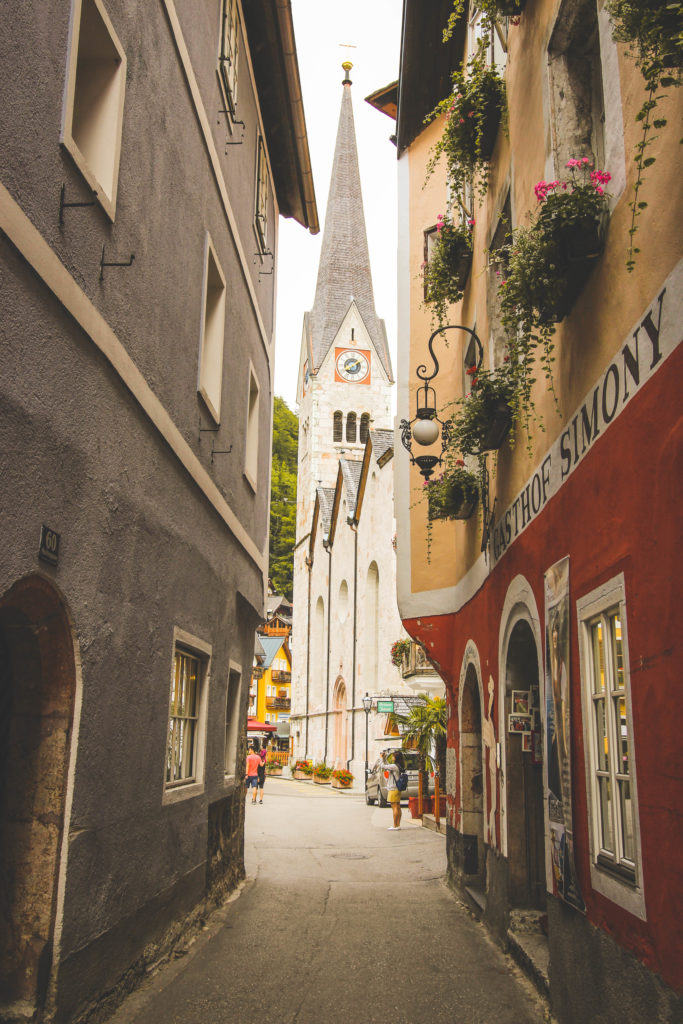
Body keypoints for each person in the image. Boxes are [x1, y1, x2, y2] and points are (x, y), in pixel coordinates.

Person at [385, 750, 405, 830]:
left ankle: (395, 825)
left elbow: (383, 766)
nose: (392, 757)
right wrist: (384, 759)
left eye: (393, 756)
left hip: (393, 788)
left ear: (396, 758)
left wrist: (381, 758)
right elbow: (387, 765)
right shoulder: (399, 765)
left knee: (394, 806)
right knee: (398, 806)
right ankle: (398, 824)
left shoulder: (394, 766)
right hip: (397, 788)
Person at [256, 738, 267, 804]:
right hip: (263, 775)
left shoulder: (259, 761)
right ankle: (261, 800)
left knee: (256, 788)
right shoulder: (264, 761)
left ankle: (254, 799)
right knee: (261, 788)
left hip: (258, 775)